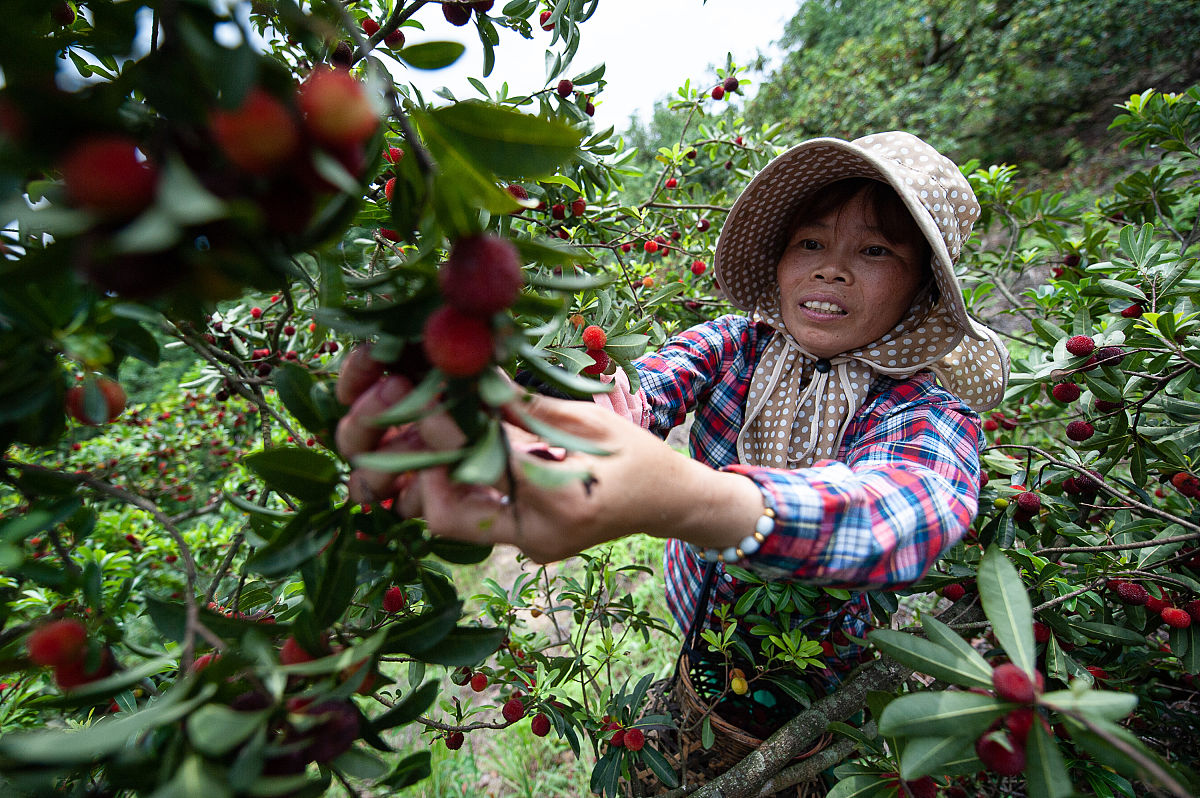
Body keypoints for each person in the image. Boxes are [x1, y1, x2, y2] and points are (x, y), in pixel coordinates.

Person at [335, 131, 1009, 689]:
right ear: (779, 259)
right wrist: (572, 431)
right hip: (697, 606)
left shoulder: (917, 402)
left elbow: (915, 506)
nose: (831, 270)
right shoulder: (734, 343)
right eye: (811, 243)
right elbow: (652, 387)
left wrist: (699, 500)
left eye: (875, 251)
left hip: (821, 661)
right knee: (697, 690)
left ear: (921, 287)